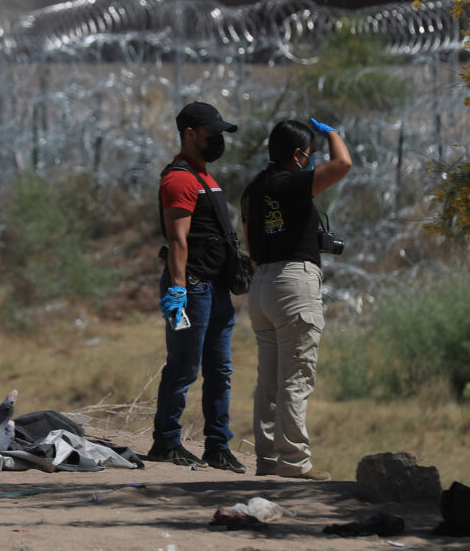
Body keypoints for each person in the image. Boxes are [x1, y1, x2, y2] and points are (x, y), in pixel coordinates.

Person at [240, 118, 352, 480]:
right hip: (293, 283)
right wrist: (333, 133)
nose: (311, 161)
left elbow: (251, 244)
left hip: (261, 285)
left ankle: (268, 461)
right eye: (310, 155)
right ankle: (294, 463)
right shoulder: (294, 183)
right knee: (296, 375)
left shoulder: (254, 189)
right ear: (299, 155)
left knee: (269, 379)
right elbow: (343, 165)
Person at [147, 101, 245, 474]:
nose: (218, 140)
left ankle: (217, 446)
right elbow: (178, 241)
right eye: (212, 134)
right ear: (191, 134)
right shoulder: (178, 179)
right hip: (192, 289)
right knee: (184, 368)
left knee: (220, 370)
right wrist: (177, 291)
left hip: (216, 291)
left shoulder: (206, 178)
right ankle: (166, 442)